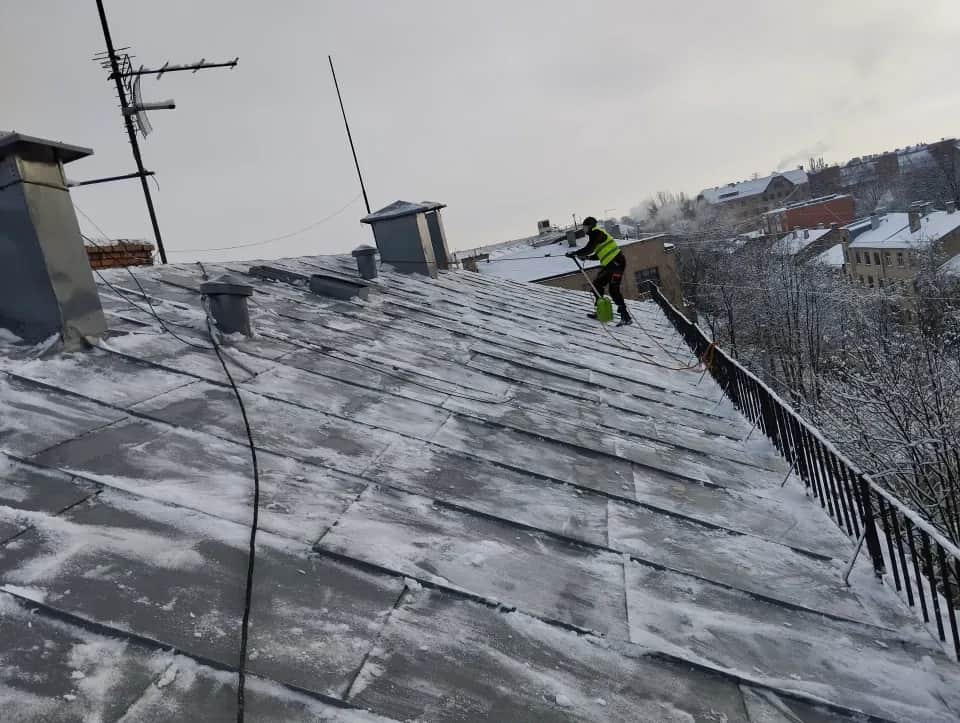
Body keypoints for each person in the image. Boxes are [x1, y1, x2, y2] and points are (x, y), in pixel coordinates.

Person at [566, 216, 633, 326]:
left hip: (615, 264)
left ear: (591, 226)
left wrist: (575, 253)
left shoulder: (596, 233)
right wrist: (586, 258)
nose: (584, 229)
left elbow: (589, 248)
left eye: (585, 227)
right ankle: (624, 317)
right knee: (608, 288)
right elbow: (598, 254)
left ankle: (615, 315)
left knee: (602, 286)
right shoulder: (597, 235)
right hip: (615, 264)